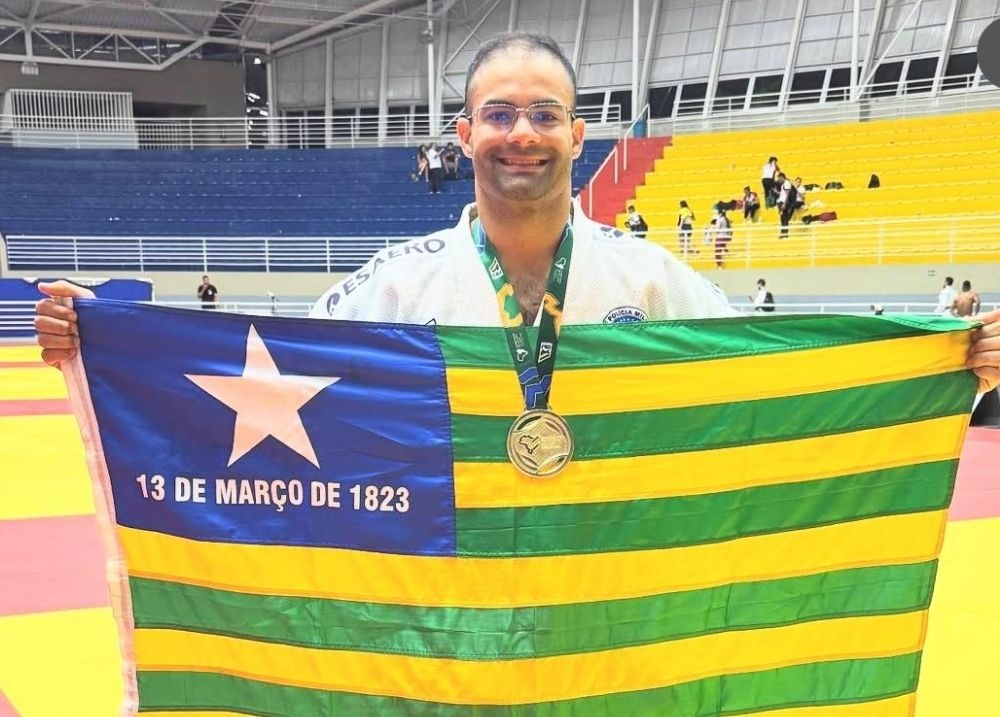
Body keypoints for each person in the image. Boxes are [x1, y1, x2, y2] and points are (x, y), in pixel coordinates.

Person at [30, 31, 1000, 396]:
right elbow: (265, 355)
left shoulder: (647, 277)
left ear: (581, 135)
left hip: (603, 578)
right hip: (458, 578)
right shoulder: (398, 280)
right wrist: (110, 338)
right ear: (464, 134)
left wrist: (943, 352)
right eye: (499, 115)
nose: (521, 134)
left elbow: (782, 359)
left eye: (543, 115)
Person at [776, 172, 797, 239]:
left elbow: (787, 195)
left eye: (779, 178)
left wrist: (784, 204)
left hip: (785, 203)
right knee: (782, 219)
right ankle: (783, 233)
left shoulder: (787, 183)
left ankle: (785, 234)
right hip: (782, 203)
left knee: (785, 219)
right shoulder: (783, 184)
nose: (778, 180)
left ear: (782, 177)